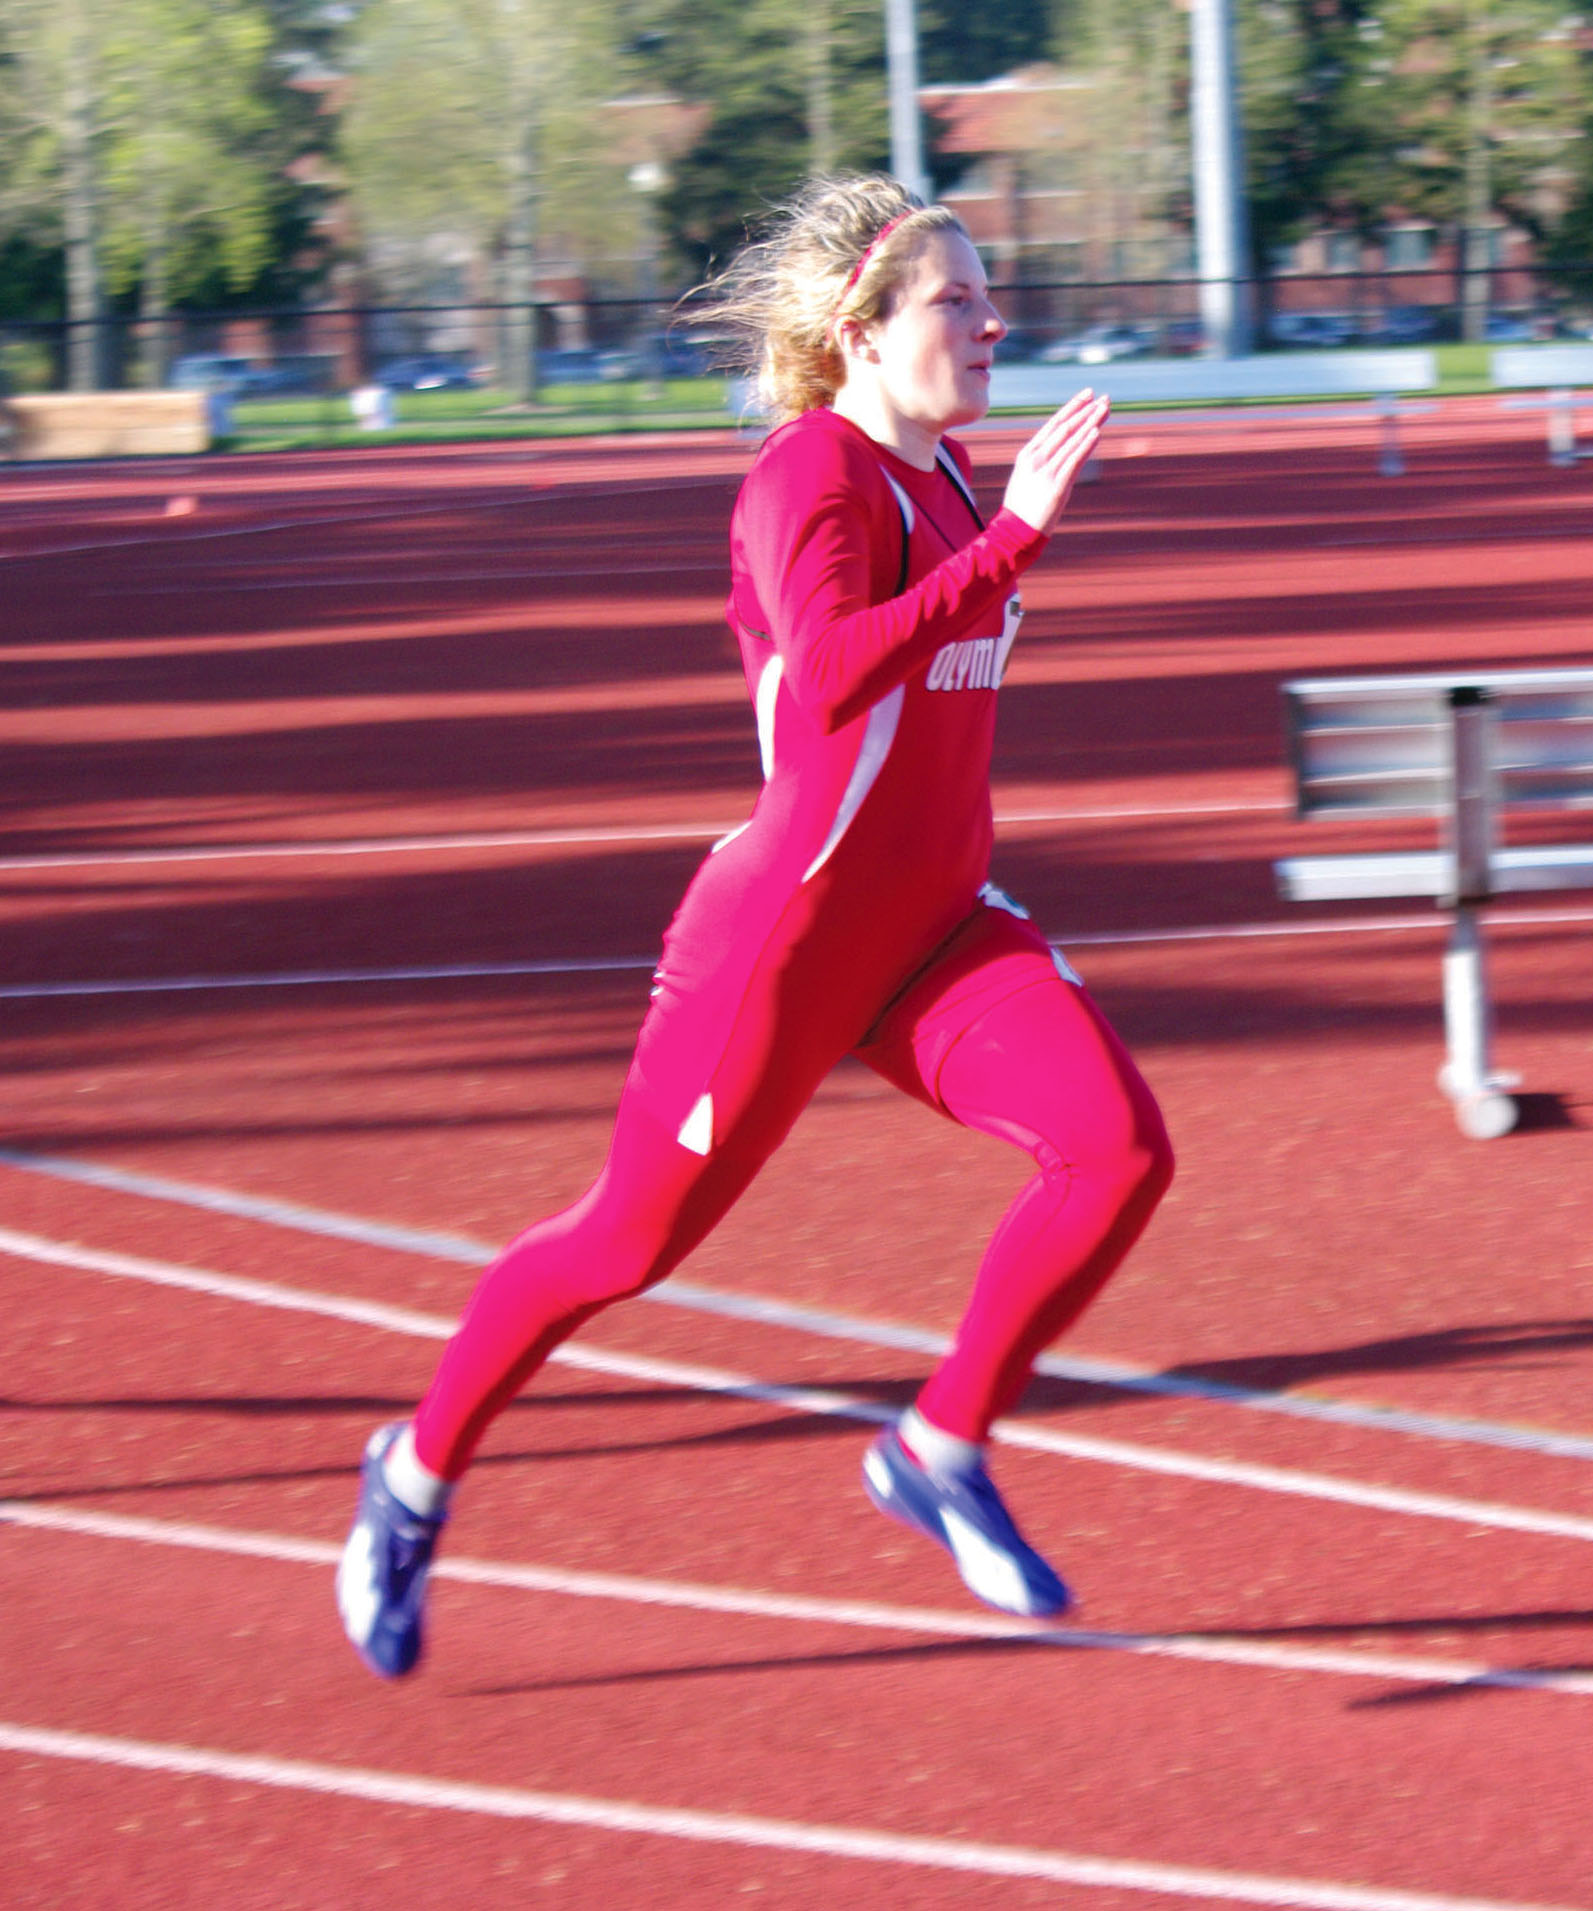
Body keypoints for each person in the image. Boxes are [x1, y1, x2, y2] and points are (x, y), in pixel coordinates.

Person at [337, 174, 1174, 1678]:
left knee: (1115, 1151)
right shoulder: (811, 470)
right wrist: (1013, 551)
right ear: (861, 328)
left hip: (934, 934)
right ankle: (411, 1474)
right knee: (618, 1248)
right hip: (782, 949)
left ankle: (936, 1449)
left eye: (989, 297)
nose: (992, 321)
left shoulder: (947, 481)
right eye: (955, 301)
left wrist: (995, 536)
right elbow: (838, 671)